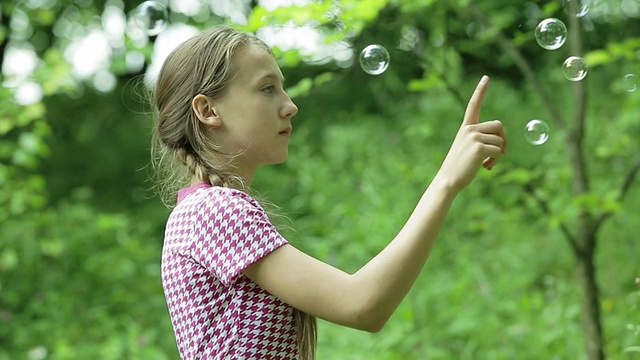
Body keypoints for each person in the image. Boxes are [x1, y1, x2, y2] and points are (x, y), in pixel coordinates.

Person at [152, 25, 507, 360]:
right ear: (208, 110)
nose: (290, 105)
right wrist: (446, 181)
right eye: (266, 88)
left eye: (283, 87)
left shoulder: (202, 211)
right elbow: (363, 304)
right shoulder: (215, 211)